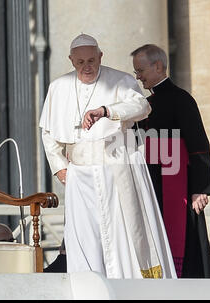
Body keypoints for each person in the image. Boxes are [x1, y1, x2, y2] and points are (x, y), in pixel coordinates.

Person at [39, 34, 176, 279]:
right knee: (85, 235)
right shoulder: (58, 87)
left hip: (115, 169)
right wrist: (59, 166)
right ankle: (89, 287)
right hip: (78, 173)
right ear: (71, 61)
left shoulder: (120, 81)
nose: (87, 67)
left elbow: (142, 107)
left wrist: (107, 111)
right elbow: (48, 133)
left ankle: (127, 288)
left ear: (101, 57)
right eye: (80, 62)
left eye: (92, 60)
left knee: (121, 234)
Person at [130, 44, 210, 278]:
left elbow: (198, 146)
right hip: (153, 183)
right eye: (135, 72)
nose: (138, 77)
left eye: (140, 70)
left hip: (180, 187)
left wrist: (200, 189)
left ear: (158, 66)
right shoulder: (145, 105)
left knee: (186, 246)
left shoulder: (182, 99)